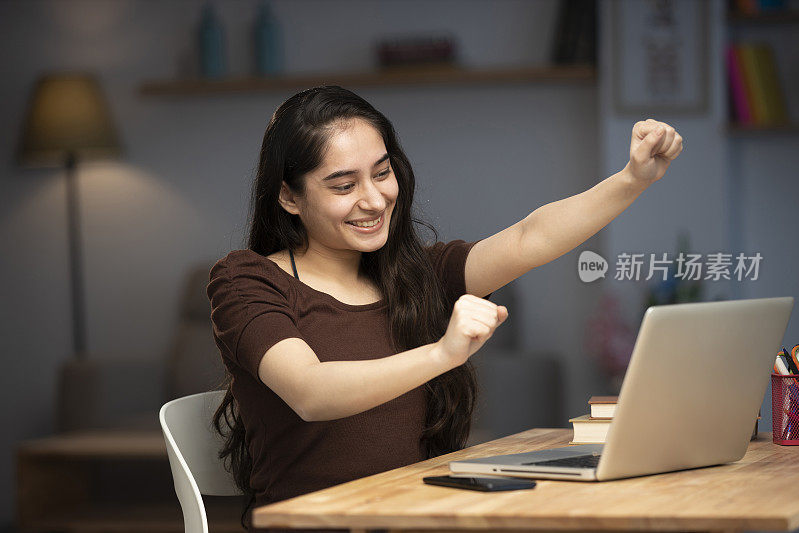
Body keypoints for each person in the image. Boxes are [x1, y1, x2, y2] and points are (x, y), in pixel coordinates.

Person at [206, 85, 683, 531]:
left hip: (420, 515)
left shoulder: (415, 276)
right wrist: (442, 353)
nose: (374, 200)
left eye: (382, 172)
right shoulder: (247, 280)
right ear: (289, 196)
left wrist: (631, 179)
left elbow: (529, 238)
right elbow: (311, 392)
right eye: (343, 185)